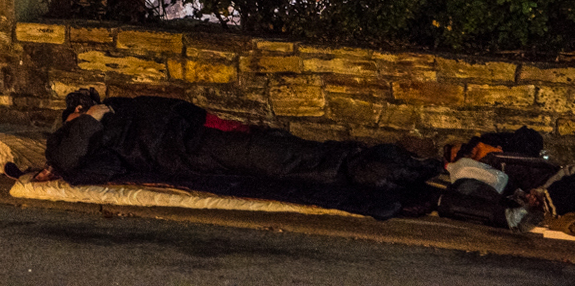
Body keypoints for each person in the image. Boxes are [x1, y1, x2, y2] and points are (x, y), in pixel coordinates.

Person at [39, 89, 441, 219]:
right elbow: (70, 160)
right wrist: (88, 120)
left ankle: (394, 168)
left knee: (284, 149)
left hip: (196, 129)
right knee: (281, 160)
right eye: (79, 107)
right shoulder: (69, 137)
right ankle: (385, 172)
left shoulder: (113, 110)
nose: (88, 105)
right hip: (188, 149)